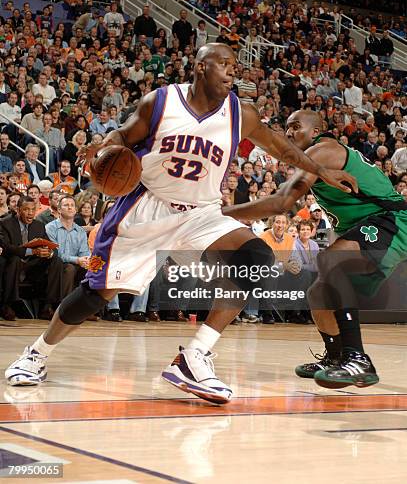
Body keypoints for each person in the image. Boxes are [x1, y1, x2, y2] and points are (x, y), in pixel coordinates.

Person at [5, 44, 354, 401]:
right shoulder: (161, 102)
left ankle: (194, 356)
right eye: (223, 64)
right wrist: (105, 146)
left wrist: (322, 170)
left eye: (235, 66)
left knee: (256, 258)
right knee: (97, 293)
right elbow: (123, 136)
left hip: (200, 212)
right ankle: (36, 354)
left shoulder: (240, 113)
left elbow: (282, 149)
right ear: (201, 68)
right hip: (147, 207)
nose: (233, 71)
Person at [224, 109, 407, 389]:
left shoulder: (322, 150)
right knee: (318, 292)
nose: (288, 133)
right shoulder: (313, 159)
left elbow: (281, 202)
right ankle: (335, 358)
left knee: (332, 261)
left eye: (296, 126)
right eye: (286, 128)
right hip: (372, 223)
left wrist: (224, 212)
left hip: (394, 220)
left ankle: (357, 359)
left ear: (315, 130)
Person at [0, 196, 65, 321]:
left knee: (56, 260)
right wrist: (33, 251)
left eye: (33, 210)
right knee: (14, 259)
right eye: (26, 210)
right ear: (18, 210)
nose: (30, 213)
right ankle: (7, 305)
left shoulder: (39, 226)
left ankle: (48, 306)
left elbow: (51, 246)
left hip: (32, 268)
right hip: (13, 264)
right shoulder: (5, 223)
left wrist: (49, 253)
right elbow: (7, 247)